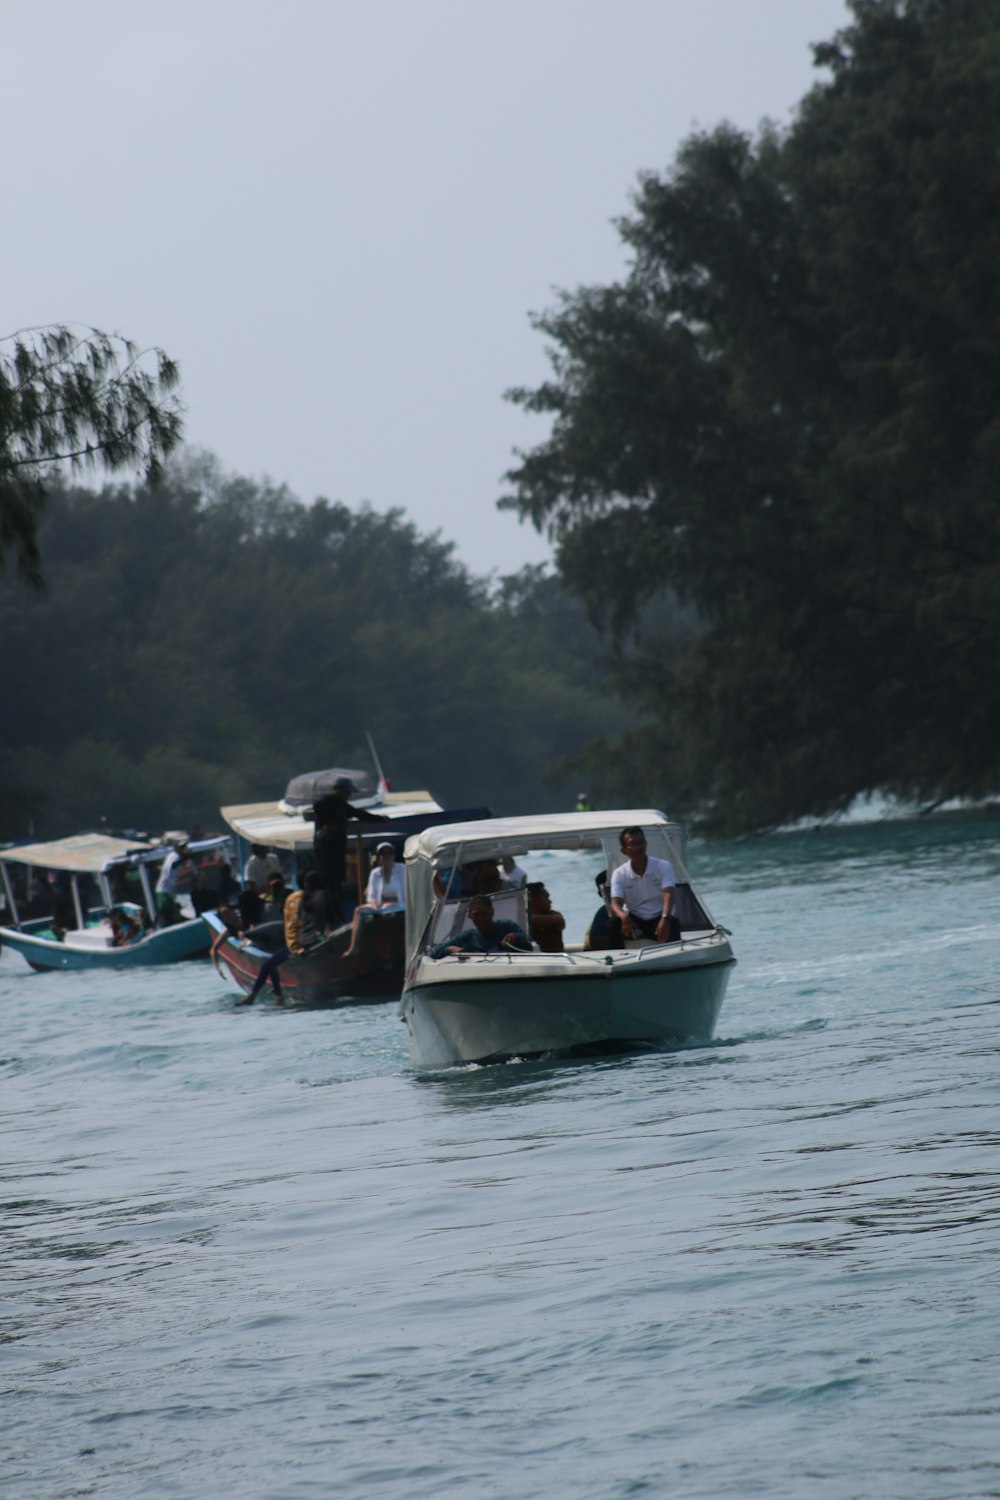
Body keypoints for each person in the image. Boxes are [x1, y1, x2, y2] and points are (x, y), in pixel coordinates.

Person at [306, 776, 390, 926]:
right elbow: (317, 806)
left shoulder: (342, 805)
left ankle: (338, 920)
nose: (349, 794)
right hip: (325, 852)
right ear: (340, 790)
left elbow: (359, 814)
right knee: (329, 887)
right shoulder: (328, 801)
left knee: (336, 885)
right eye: (347, 791)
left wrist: (379, 819)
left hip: (336, 851)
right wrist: (328, 824)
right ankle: (333, 921)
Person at [237, 871, 323, 1005]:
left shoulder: (293, 899)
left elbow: (293, 926)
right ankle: (273, 995)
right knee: (269, 963)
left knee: (268, 964)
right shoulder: (306, 897)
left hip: (296, 943)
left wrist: (295, 946)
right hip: (297, 943)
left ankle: (274, 996)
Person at [608, 826, 681, 945]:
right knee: (613, 923)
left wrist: (665, 918)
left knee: (672, 922)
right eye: (633, 844)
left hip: (659, 917)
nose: (639, 847)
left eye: (641, 842)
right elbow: (615, 903)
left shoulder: (663, 866)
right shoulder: (619, 873)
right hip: (635, 920)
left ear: (646, 844)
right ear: (624, 850)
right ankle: (617, 957)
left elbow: (668, 894)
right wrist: (624, 917)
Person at [343, 842, 404, 957]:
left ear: (393, 855)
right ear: (379, 857)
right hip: (381, 905)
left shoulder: (401, 869)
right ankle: (353, 946)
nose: (386, 857)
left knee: (387, 907)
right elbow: (372, 897)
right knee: (358, 910)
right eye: (383, 854)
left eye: (389, 853)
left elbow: (405, 892)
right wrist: (377, 909)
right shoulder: (375, 873)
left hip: (399, 904)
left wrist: (385, 907)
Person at [429, 894, 532, 958]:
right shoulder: (467, 937)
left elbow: (527, 940)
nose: (481, 918)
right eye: (476, 915)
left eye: (484, 914)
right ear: (469, 915)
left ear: (492, 913)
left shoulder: (506, 926)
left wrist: (515, 937)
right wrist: (450, 949)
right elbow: (433, 951)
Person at [155, 837, 193, 926]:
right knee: (165, 914)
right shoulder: (174, 856)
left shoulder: (179, 856)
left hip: (170, 892)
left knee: (173, 912)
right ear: (176, 847)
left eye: (185, 847)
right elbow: (173, 865)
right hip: (163, 890)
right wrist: (186, 857)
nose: (184, 849)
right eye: (182, 847)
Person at [527, 882, 565, 953]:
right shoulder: (523, 920)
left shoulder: (554, 916)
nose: (550, 901)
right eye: (546, 897)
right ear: (533, 900)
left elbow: (558, 921)